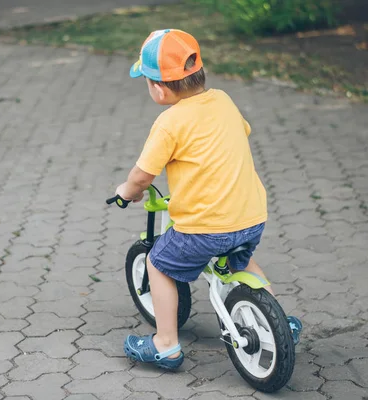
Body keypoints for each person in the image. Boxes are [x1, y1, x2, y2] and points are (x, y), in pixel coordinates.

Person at [115, 29, 302, 370]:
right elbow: (238, 133)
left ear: (158, 87)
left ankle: (166, 345)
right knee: (240, 261)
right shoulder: (224, 100)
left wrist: (128, 192)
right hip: (250, 217)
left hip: (204, 228)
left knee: (158, 264)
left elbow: (143, 176)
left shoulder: (169, 123)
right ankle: (281, 325)